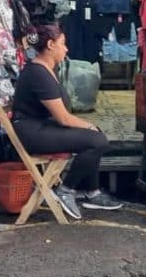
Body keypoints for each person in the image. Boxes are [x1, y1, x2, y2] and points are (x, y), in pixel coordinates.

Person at [11, 24, 123, 219]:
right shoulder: (38, 74)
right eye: (63, 44)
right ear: (51, 45)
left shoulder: (44, 68)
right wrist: (89, 126)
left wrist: (90, 128)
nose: (66, 49)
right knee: (98, 141)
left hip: (40, 127)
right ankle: (67, 190)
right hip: (32, 134)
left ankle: (92, 192)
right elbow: (63, 118)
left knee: (94, 137)